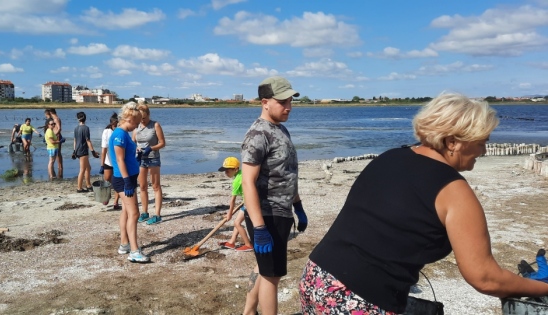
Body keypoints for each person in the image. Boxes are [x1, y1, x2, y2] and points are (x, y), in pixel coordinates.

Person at [299, 93, 548, 314]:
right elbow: (485, 278)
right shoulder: (454, 190)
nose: (484, 150)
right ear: (453, 142)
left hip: (318, 278)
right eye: (482, 141)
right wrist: (541, 288)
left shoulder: (390, 157)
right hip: (358, 300)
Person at [241, 76, 307, 315]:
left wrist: (297, 205)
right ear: (265, 102)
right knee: (272, 277)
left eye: (290, 100)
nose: (288, 106)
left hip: (282, 210)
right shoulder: (258, 134)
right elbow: (248, 182)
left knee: (264, 269)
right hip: (267, 214)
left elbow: (287, 173)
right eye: (283, 102)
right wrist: (259, 228)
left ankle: (249, 312)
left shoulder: (280, 129)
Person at [109, 102, 149, 263]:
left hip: (129, 177)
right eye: (137, 122)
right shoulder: (119, 134)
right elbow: (119, 159)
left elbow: (126, 156)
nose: (137, 126)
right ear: (129, 119)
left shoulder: (124, 134)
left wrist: (137, 155)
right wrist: (127, 182)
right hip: (122, 180)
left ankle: (124, 244)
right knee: (135, 213)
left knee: (126, 211)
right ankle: (134, 250)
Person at [133, 103, 166, 225]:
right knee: (142, 186)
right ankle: (145, 212)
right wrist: (135, 149)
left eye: (145, 118)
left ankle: (157, 215)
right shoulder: (137, 127)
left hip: (153, 159)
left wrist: (151, 148)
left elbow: (162, 143)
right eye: (141, 118)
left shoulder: (155, 125)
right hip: (141, 159)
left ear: (148, 114)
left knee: (156, 186)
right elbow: (133, 142)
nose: (143, 120)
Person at [217, 156, 253, 252]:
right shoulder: (241, 174)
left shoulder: (237, 181)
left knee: (237, 223)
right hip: (248, 201)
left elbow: (232, 200)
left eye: (227, 171)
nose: (225, 173)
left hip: (249, 203)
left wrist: (229, 214)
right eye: (225, 171)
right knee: (237, 222)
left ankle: (248, 245)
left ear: (236, 169)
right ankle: (232, 242)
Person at [73, 111, 100, 193]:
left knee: (88, 168)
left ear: (78, 119)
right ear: (85, 118)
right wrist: (93, 151)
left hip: (77, 150)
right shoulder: (86, 128)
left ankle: (88, 185)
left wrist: (74, 151)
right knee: (82, 169)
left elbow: (75, 140)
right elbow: (88, 141)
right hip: (83, 151)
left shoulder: (76, 128)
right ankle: (79, 188)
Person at [101, 113, 122, 209]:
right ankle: (106, 197)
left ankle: (116, 202)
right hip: (108, 161)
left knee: (117, 181)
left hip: (118, 160)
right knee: (107, 179)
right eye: (117, 123)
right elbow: (104, 149)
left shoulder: (120, 131)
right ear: (113, 123)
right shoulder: (106, 132)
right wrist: (102, 165)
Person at [44, 108, 63, 179]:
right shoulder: (54, 119)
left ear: (51, 113)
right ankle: (58, 168)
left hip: (56, 136)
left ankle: (60, 167)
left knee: (58, 154)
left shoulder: (56, 119)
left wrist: (54, 135)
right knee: (56, 154)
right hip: (54, 137)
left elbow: (59, 128)